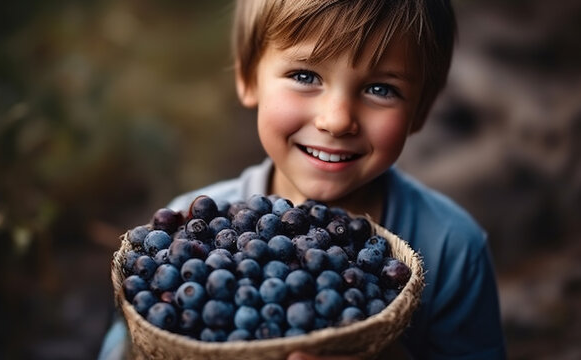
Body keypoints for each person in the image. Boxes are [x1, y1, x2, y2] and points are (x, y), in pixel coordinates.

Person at [99, 0, 507, 359]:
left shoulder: (454, 249)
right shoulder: (185, 228)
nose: (337, 119)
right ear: (248, 78)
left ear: (420, 111)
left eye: (381, 88)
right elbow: (130, 338)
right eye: (306, 76)